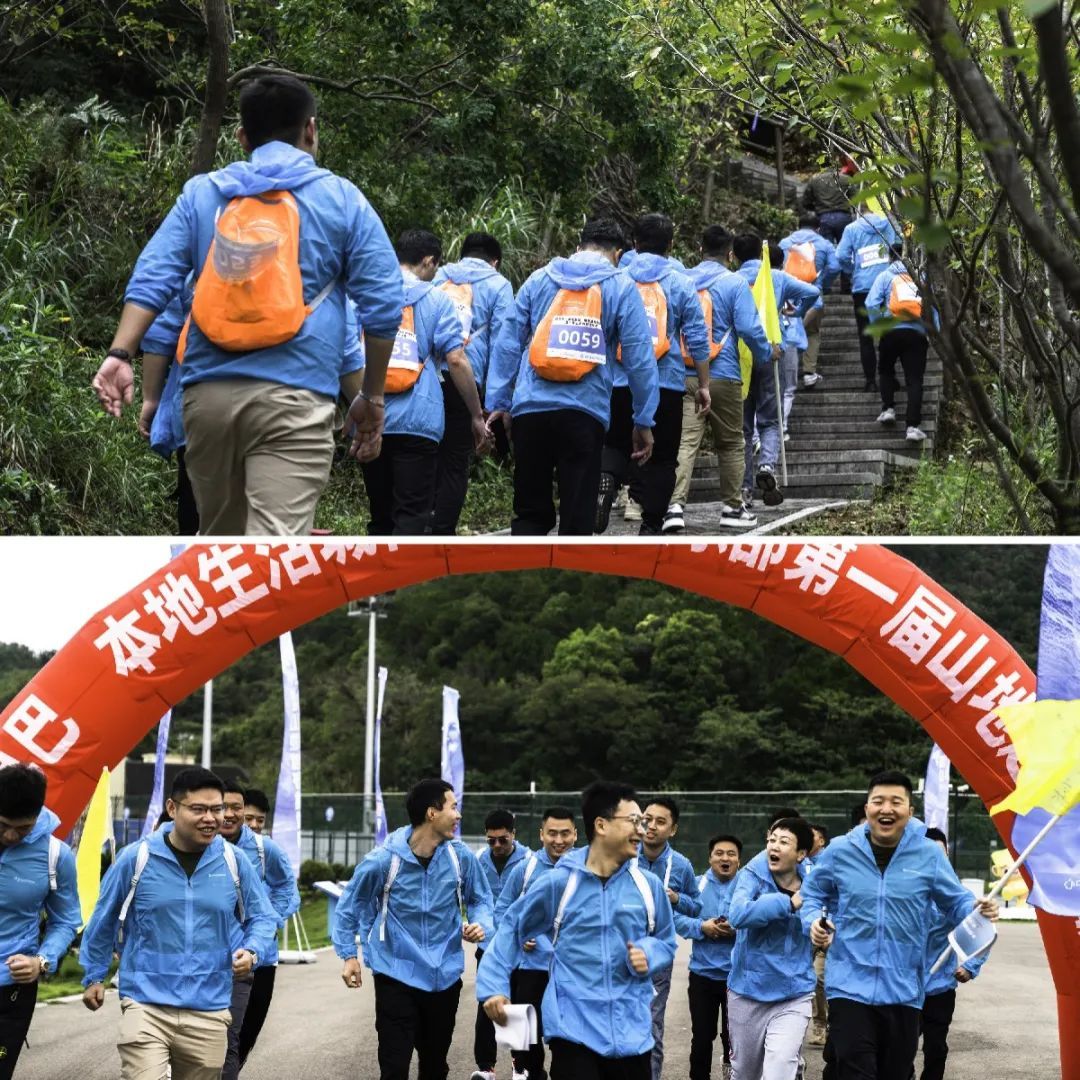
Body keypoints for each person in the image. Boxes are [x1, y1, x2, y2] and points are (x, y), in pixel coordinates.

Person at [91, 73, 404, 535]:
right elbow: (383, 304)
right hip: (295, 397)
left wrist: (120, 353)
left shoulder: (203, 194)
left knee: (222, 549)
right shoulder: (341, 198)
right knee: (275, 550)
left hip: (207, 399)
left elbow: (153, 276)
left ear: (242, 136)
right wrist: (371, 395)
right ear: (310, 129)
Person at [80, 767, 277, 1080]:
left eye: (216, 809)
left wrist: (252, 951)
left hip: (209, 1006)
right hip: (146, 1003)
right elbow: (104, 918)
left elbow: (263, 917)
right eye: (198, 809)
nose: (210, 818)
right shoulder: (137, 858)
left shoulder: (233, 861)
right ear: (172, 808)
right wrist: (94, 974)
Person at [800, 771, 999, 1080]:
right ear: (867, 808)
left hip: (904, 989)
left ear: (910, 811)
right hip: (849, 985)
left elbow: (956, 902)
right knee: (855, 1069)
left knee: (895, 1073)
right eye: (878, 801)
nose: (886, 809)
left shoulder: (929, 855)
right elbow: (812, 893)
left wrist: (975, 909)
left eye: (896, 802)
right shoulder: (840, 851)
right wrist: (812, 919)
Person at [478, 780, 677, 1078]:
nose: (642, 830)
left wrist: (648, 953)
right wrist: (494, 987)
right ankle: (521, 1069)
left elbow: (666, 940)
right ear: (601, 825)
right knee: (530, 1044)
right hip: (573, 1034)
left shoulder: (648, 887)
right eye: (634, 821)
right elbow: (510, 929)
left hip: (633, 1034)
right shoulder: (559, 884)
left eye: (643, 822)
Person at [485, 218, 659, 535]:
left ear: (578, 247)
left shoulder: (538, 280)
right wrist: (643, 419)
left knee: (529, 513)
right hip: (584, 413)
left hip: (531, 410)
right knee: (577, 518)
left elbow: (508, 344)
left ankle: (525, 562)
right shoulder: (621, 286)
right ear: (618, 255)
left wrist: (499, 402)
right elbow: (639, 359)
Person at [334, 778, 494, 1080]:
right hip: (395, 974)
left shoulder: (459, 857)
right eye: (453, 807)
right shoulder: (383, 862)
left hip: (444, 976)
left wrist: (481, 924)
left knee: (434, 1066)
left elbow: (480, 899)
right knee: (394, 1067)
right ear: (432, 813)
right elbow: (349, 907)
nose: (458, 815)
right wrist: (349, 955)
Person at [355, 228, 489, 534]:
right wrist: (475, 414)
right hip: (418, 420)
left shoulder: (365, 294)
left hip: (370, 418)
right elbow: (456, 359)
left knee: (380, 516)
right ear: (428, 261)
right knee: (412, 513)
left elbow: (347, 353)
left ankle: (381, 566)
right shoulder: (437, 300)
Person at [596, 213, 711, 536]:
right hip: (666, 384)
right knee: (663, 458)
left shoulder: (617, 279)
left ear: (634, 243)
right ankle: (651, 525)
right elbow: (697, 338)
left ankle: (607, 477)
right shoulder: (681, 282)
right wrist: (703, 384)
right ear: (670, 245)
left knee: (615, 444)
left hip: (620, 381)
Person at [666, 226, 777, 532]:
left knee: (685, 443)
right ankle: (732, 508)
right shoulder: (734, 282)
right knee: (730, 444)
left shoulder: (681, 280)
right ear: (730, 254)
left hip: (685, 373)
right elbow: (749, 328)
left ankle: (674, 507)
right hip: (725, 373)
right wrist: (765, 353)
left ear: (699, 249)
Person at [0, 764, 80, 1080]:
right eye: (2, 825)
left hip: (10, 990)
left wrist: (42, 961)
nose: (10, 835)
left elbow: (66, 921)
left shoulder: (55, 855)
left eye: (23, 829)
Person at [431, 232, 515, 534]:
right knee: (455, 461)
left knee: (425, 455)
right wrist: (496, 401)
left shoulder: (439, 275)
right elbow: (504, 345)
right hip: (465, 382)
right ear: (495, 261)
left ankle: (418, 526)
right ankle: (441, 535)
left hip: (425, 378)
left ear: (463, 254)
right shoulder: (498, 285)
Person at [732, 232, 820, 509]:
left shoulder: (731, 280)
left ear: (734, 256)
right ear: (762, 254)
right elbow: (813, 292)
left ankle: (745, 489)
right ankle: (767, 466)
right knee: (770, 419)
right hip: (771, 352)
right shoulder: (776, 277)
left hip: (739, 357)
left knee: (744, 427)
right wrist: (795, 313)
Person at [219, 783, 301, 1076]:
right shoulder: (202, 844)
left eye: (237, 809)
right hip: (215, 956)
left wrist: (268, 922)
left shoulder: (265, 850)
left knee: (245, 1034)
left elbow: (288, 888)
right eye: (223, 807)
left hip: (260, 957)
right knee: (222, 1038)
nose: (252, 823)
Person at [727, 817, 817, 1080]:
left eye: (784, 842)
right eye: (771, 840)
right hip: (747, 992)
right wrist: (788, 904)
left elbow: (823, 915)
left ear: (801, 854)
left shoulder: (815, 882)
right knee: (745, 1073)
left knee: (779, 1066)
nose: (774, 846)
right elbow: (738, 915)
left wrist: (822, 928)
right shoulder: (751, 875)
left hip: (794, 993)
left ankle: (791, 1067)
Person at [493, 806, 580, 1080]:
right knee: (522, 1039)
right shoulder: (525, 868)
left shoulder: (586, 870)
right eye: (552, 833)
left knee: (569, 1040)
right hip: (528, 969)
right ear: (541, 834)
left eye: (565, 833)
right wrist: (520, 936)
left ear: (576, 835)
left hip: (571, 970)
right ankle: (527, 1072)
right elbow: (502, 911)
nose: (559, 840)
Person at [637, 796, 703, 1080]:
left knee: (652, 1025)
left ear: (673, 829)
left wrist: (675, 898)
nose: (651, 826)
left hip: (658, 958)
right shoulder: (623, 855)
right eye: (647, 819)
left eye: (660, 822)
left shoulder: (681, 865)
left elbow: (696, 906)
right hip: (619, 951)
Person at [919, 827, 990, 1080]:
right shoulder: (905, 891)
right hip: (903, 986)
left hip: (940, 986)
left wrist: (970, 967)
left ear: (947, 854)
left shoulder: (958, 896)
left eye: (939, 854)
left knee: (936, 1048)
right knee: (898, 1048)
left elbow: (980, 931)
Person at [676, 833, 742, 1080]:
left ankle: (731, 1076)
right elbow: (675, 918)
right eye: (719, 853)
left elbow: (761, 920)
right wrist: (701, 927)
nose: (725, 858)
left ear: (739, 860)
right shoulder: (696, 885)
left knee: (733, 1038)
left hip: (738, 978)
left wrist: (737, 927)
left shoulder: (747, 888)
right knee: (702, 1036)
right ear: (710, 858)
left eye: (731, 854)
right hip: (702, 976)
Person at [472, 809, 531, 1080]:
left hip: (519, 948)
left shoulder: (528, 861)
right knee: (487, 1003)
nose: (496, 845)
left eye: (502, 840)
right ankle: (486, 1067)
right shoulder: (478, 861)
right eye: (491, 840)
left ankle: (520, 1066)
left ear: (513, 835)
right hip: (488, 947)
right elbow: (472, 898)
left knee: (516, 1006)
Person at [865, 247, 937, 442]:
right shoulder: (921, 277)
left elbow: (871, 303)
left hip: (890, 331)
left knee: (886, 370)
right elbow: (933, 306)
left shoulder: (884, 276)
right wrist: (933, 332)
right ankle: (912, 427)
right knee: (914, 380)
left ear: (890, 258)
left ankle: (888, 409)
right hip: (916, 333)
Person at [835, 206, 900, 392]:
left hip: (863, 287)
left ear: (859, 211)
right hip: (888, 283)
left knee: (866, 336)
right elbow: (900, 244)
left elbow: (841, 255)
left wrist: (851, 270)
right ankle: (889, 376)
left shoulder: (852, 229)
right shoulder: (888, 225)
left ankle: (870, 381)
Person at [779, 213, 841, 388]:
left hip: (787, 297)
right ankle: (808, 373)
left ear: (798, 226)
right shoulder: (824, 244)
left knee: (786, 330)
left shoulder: (785, 243)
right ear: (818, 228)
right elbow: (835, 267)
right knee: (812, 332)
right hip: (812, 296)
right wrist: (823, 283)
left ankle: (784, 371)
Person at [802, 150, 856, 246]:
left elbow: (806, 202)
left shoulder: (815, 180)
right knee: (845, 247)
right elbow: (855, 198)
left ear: (821, 165)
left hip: (823, 217)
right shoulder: (846, 179)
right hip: (843, 216)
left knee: (826, 247)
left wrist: (816, 208)